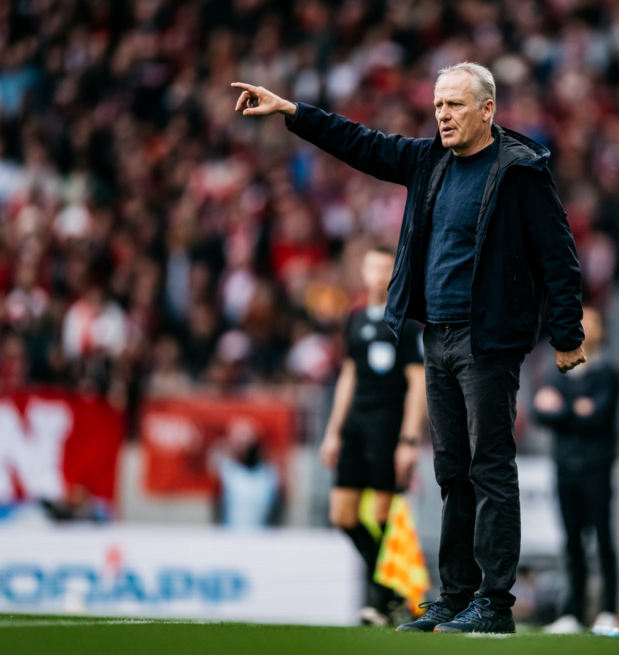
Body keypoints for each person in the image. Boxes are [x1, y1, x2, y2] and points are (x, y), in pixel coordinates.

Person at [233, 60, 586, 634]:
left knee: (489, 468)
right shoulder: (429, 161)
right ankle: (455, 596)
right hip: (436, 336)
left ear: (488, 110)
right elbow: (362, 144)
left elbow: (559, 258)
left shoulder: (519, 171)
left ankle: (495, 605)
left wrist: (568, 335)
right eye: (439, 105)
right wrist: (293, 113)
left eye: (455, 105)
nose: (442, 115)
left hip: (488, 340)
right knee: (451, 470)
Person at [319, 245, 426, 626]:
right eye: (373, 268)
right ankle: (394, 591)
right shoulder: (355, 320)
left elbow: (417, 383)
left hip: (387, 429)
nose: (379, 276)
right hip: (355, 429)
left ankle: (380, 603)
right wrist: (333, 431)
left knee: (382, 515)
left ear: (394, 274)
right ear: (363, 274)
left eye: (386, 269)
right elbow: (348, 376)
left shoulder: (408, 324)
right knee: (343, 515)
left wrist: (409, 440)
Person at [531, 307, 619, 635]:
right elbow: (540, 411)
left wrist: (562, 407)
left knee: (603, 540)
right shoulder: (559, 369)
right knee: (571, 542)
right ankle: (573, 612)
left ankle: (609, 611)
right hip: (564, 466)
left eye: (592, 322)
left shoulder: (608, 372)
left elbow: (597, 416)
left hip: (596, 468)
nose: (585, 327)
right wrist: (576, 408)